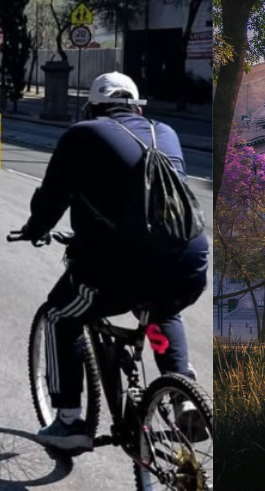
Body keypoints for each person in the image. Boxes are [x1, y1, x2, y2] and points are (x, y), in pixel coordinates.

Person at [15, 72, 208, 452]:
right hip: (189, 259)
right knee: (158, 312)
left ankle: (70, 422)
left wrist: (33, 229)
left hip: (120, 268)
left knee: (59, 315)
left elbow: (52, 199)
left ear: (91, 107)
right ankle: (181, 392)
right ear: (137, 107)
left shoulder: (81, 134)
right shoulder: (163, 131)